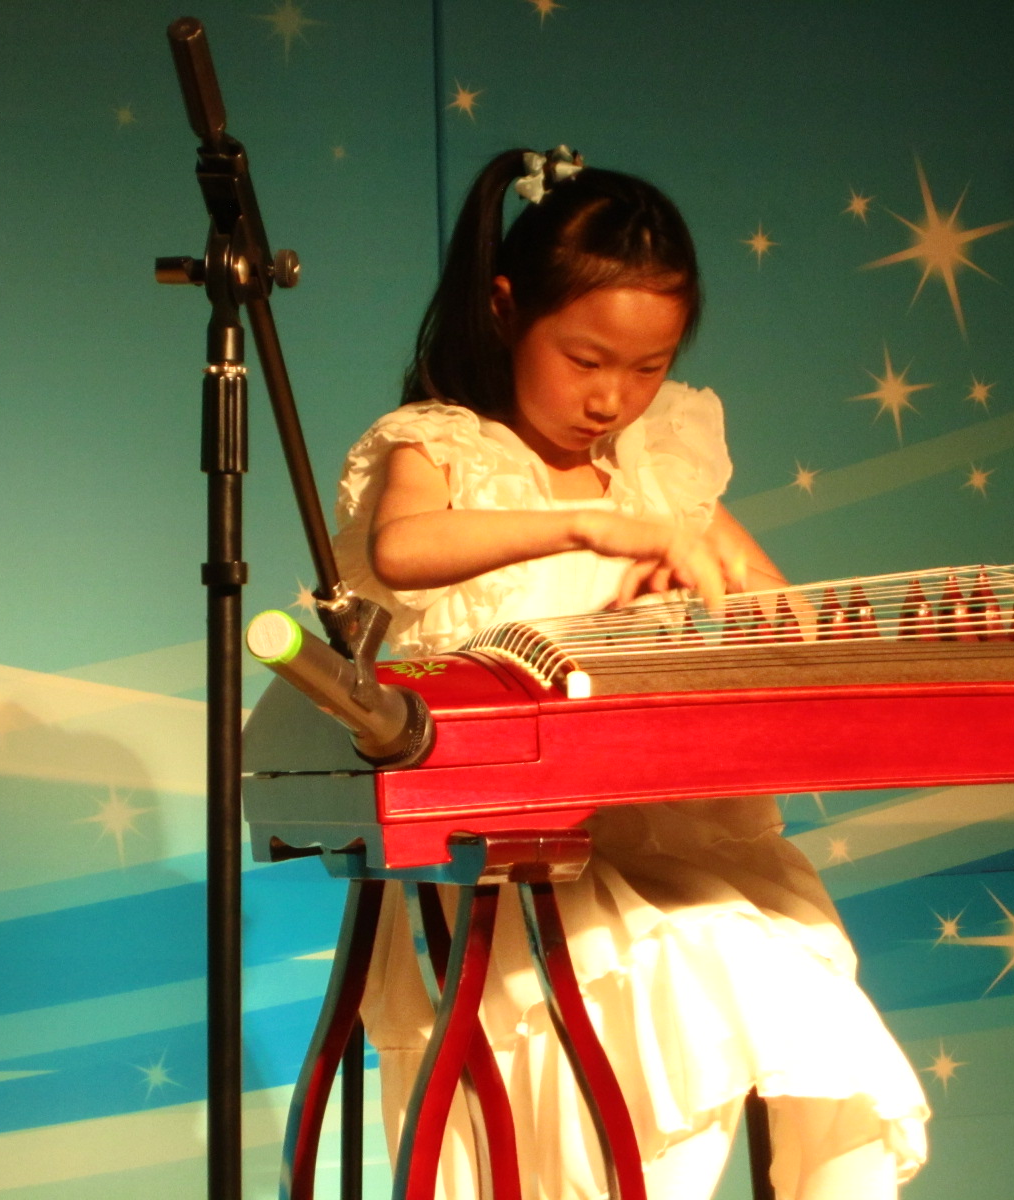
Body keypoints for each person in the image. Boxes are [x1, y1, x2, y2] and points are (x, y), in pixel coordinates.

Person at [332, 146, 930, 1200]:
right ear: (505, 309)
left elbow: (768, 598)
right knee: (687, 1004)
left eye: (648, 369)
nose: (613, 399)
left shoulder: (660, 466)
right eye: (585, 359)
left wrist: (745, 607)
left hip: (672, 837)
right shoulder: (446, 448)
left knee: (821, 1028)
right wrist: (588, 525)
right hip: (514, 864)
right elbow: (401, 550)